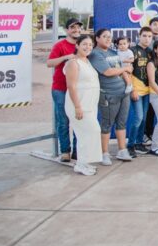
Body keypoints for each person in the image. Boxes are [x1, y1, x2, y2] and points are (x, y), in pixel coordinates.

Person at [89, 29, 133, 165]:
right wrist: (125, 69)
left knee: (121, 122)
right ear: (97, 38)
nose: (108, 39)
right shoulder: (95, 54)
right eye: (105, 36)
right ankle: (104, 153)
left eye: (110, 37)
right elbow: (108, 72)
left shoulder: (113, 52)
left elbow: (121, 70)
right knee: (107, 124)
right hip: (109, 95)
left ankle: (122, 150)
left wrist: (129, 84)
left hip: (123, 93)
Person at [63, 35, 102, 176]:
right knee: (93, 130)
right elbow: (71, 86)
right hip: (78, 104)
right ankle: (81, 163)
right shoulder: (73, 63)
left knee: (85, 134)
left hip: (90, 104)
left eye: (90, 45)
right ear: (77, 45)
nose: (88, 47)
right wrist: (77, 107)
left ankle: (83, 163)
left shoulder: (87, 61)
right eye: (84, 44)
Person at [46, 17, 82, 162]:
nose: (76, 30)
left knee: (79, 120)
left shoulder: (83, 45)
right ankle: (65, 151)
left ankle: (77, 151)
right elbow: (49, 63)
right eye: (73, 27)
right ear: (67, 30)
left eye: (78, 27)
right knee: (63, 121)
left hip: (78, 89)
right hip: (60, 89)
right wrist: (65, 57)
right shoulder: (60, 45)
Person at [127, 26, 153, 156]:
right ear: (139, 36)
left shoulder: (150, 52)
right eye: (144, 36)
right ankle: (130, 145)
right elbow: (127, 72)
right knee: (138, 118)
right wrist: (132, 89)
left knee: (143, 119)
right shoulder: (132, 51)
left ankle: (139, 143)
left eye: (149, 36)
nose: (147, 39)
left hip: (147, 90)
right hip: (136, 90)